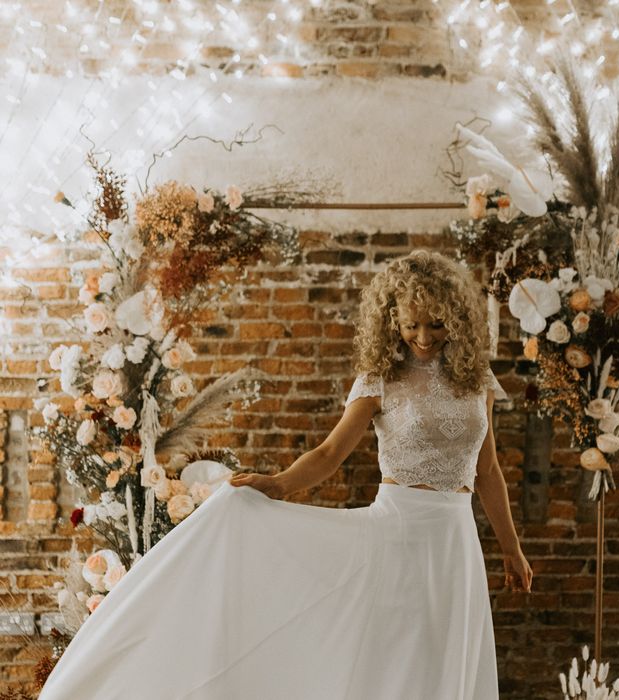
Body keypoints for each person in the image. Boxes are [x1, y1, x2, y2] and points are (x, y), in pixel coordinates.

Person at [38, 249, 532, 700]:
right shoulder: (380, 378)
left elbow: (487, 469)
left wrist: (511, 548)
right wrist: (277, 485)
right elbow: (329, 452)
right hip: (396, 536)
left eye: (437, 325)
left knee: (446, 657)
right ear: (391, 319)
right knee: (397, 661)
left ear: (458, 320)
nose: (424, 338)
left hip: (454, 541)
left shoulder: (477, 380)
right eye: (412, 325)